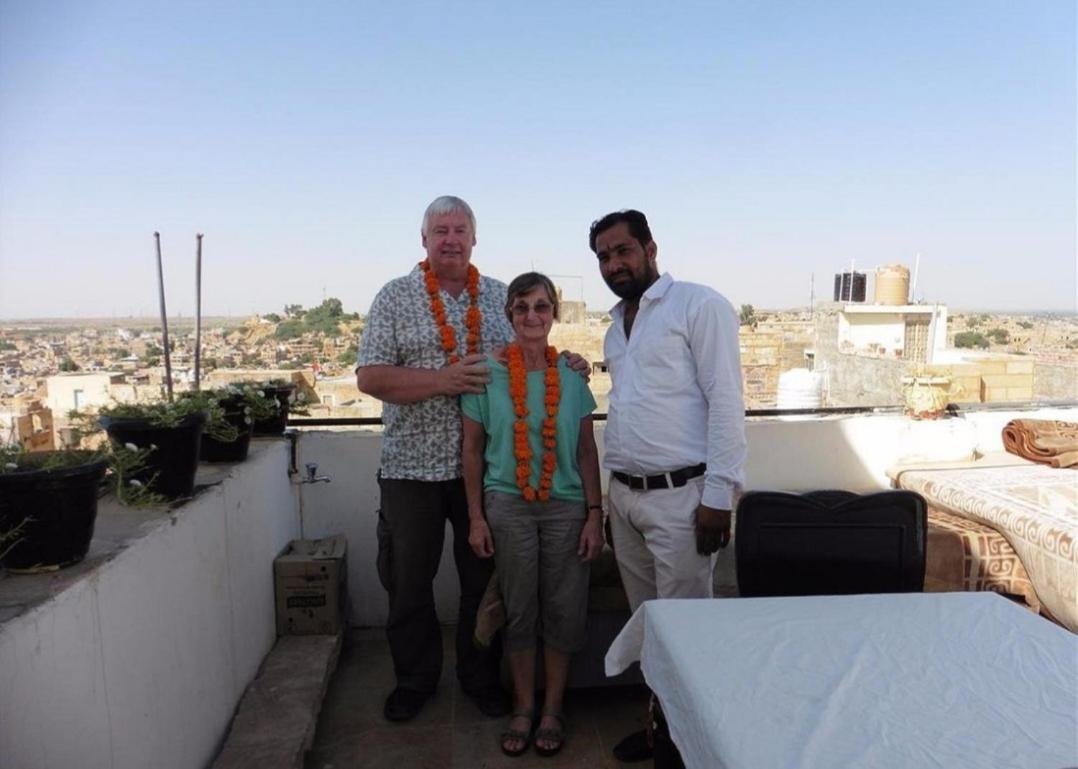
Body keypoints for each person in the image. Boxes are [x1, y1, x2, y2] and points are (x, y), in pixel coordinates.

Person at [589, 209, 747, 762]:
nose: (614, 264)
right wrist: (612, 500)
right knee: (652, 630)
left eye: (622, 250)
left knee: (688, 633)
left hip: (684, 499)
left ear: (650, 248)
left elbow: (726, 404)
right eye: (604, 257)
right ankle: (662, 730)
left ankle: (690, 744)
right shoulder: (615, 328)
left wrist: (718, 497)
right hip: (626, 497)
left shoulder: (699, 306)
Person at [355, 195, 515, 722]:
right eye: (440, 230)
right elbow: (370, 377)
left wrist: (569, 363)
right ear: (423, 239)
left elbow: (526, 361)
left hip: (485, 471)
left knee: (484, 584)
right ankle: (414, 680)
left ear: (474, 238)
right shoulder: (395, 297)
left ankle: (481, 678)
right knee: (408, 584)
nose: (451, 239)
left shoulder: (500, 297)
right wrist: (443, 380)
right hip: (410, 469)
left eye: (460, 230)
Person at [461, 272, 603, 757]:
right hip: (507, 504)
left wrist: (594, 514)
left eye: (541, 307)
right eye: (521, 307)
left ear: (554, 315)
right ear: (509, 315)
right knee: (519, 608)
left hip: (566, 507)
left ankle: (553, 709)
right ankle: (523, 707)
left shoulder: (572, 376)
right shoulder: (487, 375)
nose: (531, 316)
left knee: (563, 609)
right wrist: (476, 517)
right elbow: (472, 452)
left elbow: (586, 451)